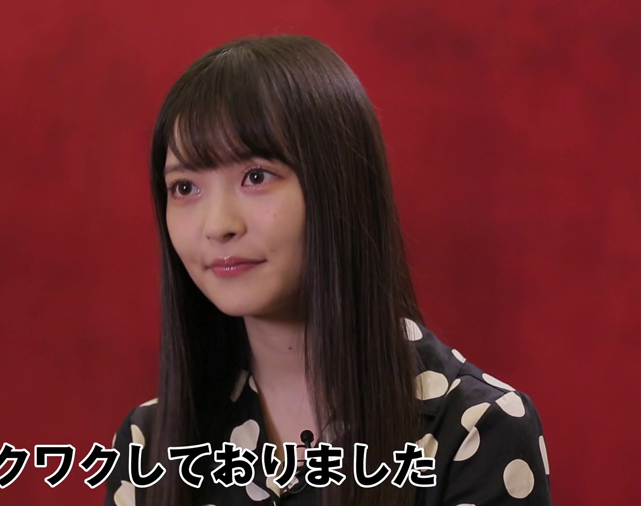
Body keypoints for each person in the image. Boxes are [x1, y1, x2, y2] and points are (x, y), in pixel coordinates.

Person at [103, 34, 551, 506]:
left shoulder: (476, 429)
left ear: (340, 186)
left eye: (256, 176)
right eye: (185, 188)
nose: (218, 226)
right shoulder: (149, 445)